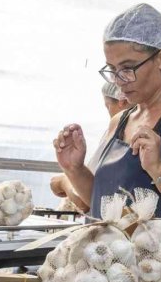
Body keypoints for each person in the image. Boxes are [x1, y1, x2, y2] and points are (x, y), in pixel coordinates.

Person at [53, 3, 161, 218]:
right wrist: (75, 169)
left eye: (128, 68)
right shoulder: (119, 121)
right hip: (108, 249)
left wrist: (158, 169)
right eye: (112, 69)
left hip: (155, 251)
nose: (119, 80)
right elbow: (101, 202)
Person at [50, 82, 131, 213]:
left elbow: (87, 201)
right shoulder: (116, 132)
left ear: (122, 101)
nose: (109, 114)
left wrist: (64, 181)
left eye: (108, 106)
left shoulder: (122, 136)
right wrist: (73, 168)